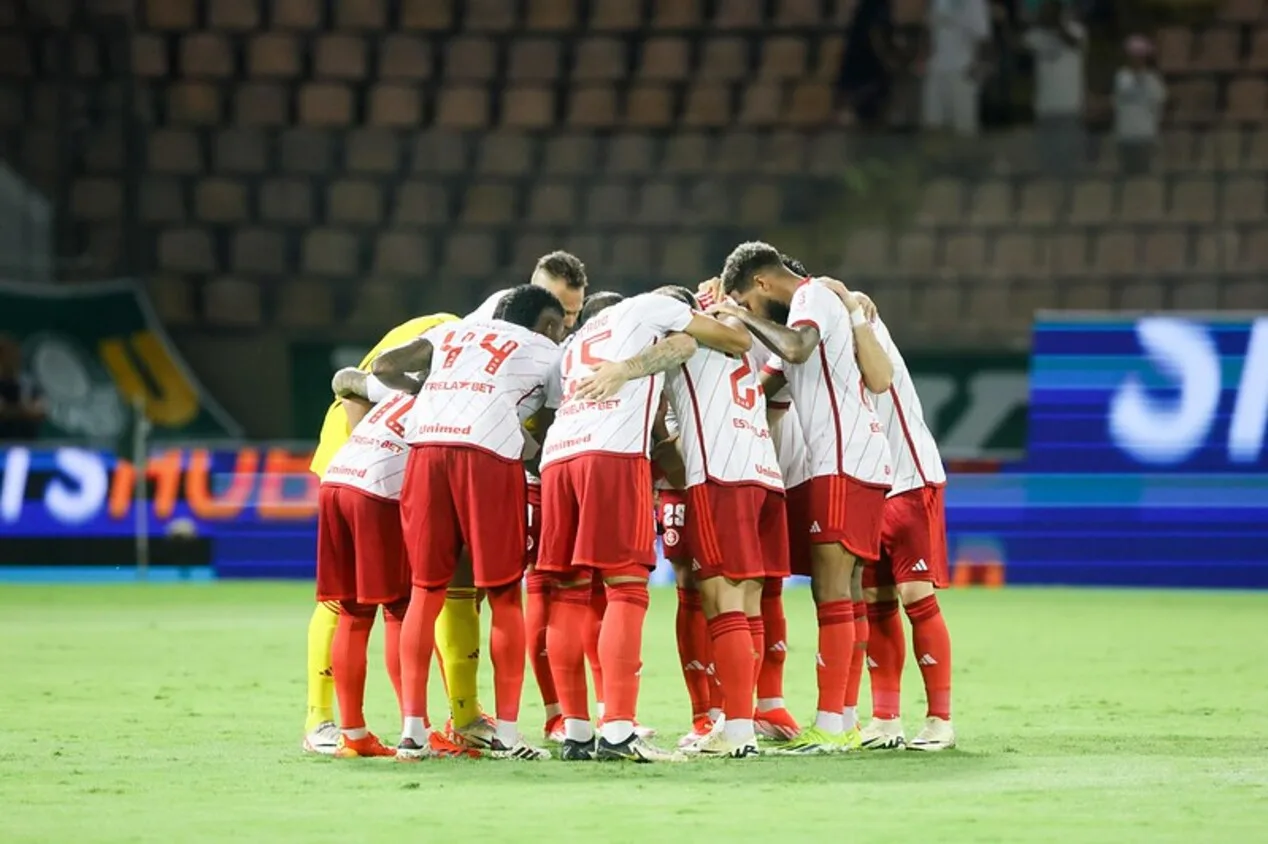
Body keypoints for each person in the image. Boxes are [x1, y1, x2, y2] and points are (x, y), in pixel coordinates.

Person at [537, 291, 750, 763]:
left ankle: (575, 732)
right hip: (611, 454)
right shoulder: (656, 305)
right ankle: (617, 732)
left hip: (558, 457)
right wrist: (632, 367)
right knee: (626, 588)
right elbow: (727, 342)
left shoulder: (576, 340)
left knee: (569, 594)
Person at [582, 287, 789, 759]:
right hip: (764, 473)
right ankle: (741, 721)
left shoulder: (682, 338)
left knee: (721, 601)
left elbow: (661, 403)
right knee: (750, 601)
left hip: (720, 475)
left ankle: (736, 732)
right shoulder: (737, 338)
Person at [372, 284, 567, 761]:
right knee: (503, 594)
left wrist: (432, 391)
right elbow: (553, 419)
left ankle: (412, 732)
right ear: (546, 324)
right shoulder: (547, 349)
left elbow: (383, 367)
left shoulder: (454, 331)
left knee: (425, 590)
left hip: (426, 449)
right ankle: (508, 734)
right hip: (488, 454)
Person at [716, 242, 894, 754]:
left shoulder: (811, 298)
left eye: (746, 302)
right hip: (858, 459)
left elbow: (795, 348)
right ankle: (847, 719)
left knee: (832, 592)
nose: (747, 314)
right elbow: (768, 383)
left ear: (763, 284)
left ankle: (830, 725)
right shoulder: (818, 307)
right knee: (850, 593)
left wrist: (735, 318)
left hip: (840, 462)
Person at [303, 310, 459, 755]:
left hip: (340, 475)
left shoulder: (394, 386)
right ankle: (418, 729)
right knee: (399, 610)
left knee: (351, 611)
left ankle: (352, 733)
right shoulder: (452, 397)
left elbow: (348, 380)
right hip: (376, 493)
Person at [469, 250, 588, 742]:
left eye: (574, 314)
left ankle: (563, 712)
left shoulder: (565, 340)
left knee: (556, 585)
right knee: (517, 587)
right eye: (557, 312)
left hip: (542, 462)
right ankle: (536, 712)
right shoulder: (495, 318)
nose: (563, 325)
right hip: (505, 466)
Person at [843, 297, 957, 752]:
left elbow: (880, 377)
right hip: (870, 482)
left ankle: (939, 720)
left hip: (909, 477)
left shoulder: (860, 323)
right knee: (876, 599)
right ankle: (886, 718)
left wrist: (850, 306)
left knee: (916, 595)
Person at [1022, 0, 1087, 175]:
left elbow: (1074, 43)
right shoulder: (1036, 34)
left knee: (1068, 163)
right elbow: (1020, 45)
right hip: (1044, 107)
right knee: (1047, 163)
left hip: (1069, 106)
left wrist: (1056, 25)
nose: (1046, 13)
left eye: (1051, 10)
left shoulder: (1075, 30)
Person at [922, 0, 992, 137]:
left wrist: (981, 66)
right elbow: (930, 31)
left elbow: (984, 37)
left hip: (963, 70)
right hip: (936, 69)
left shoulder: (976, 3)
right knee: (933, 127)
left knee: (964, 130)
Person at [839, 0, 900, 127]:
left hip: (861, 67)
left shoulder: (867, 6)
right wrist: (887, 61)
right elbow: (875, 34)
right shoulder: (877, 5)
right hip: (867, 69)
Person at [1113, 36, 1166, 176]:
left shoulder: (1153, 79)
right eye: (1135, 55)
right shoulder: (1122, 77)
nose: (1138, 59)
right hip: (1126, 136)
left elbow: (1159, 102)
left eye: (1141, 56)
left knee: (1144, 178)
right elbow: (1123, 92)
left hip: (1146, 136)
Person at [0, 336, 46, 441]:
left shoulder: (27, 383)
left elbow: (40, 411)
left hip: (27, 444)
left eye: (11, 355)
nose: (8, 360)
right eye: (3, 355)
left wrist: (12, 411)